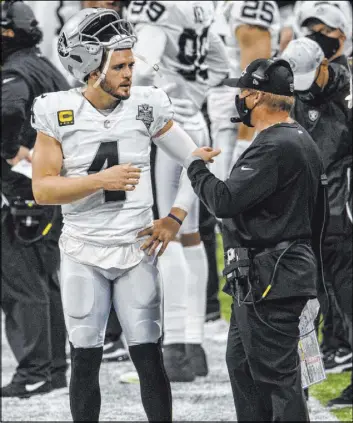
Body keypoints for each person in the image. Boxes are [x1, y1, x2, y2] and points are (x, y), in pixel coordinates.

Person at [30, 7, 218, 422]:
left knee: (149, 357)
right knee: (84, 358)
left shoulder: (146, 105)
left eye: (131, 63)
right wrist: (101, 180)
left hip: (136, 250)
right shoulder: (57, 110)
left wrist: (174, 217)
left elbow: (197, 161)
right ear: (88, 66)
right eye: (119, 65)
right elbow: (42, 189)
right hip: (83, 249)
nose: (131, 72)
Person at [185, 57, 328, 421]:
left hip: (272, 279)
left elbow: (224, 200)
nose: (238, 98)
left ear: (257, 97)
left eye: (243, 91)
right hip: (271, 276)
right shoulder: (297, 137)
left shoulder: (275, 145)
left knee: (276, 379)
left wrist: (195, 166)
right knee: (244, 366)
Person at [127, 0, 229, 381]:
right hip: (195, 123)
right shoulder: (200, 6)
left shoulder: (155, 8)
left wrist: (149, 92)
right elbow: (220, 64)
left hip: (166, 130)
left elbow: (141, 67)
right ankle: (193, 344)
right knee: (189, 236)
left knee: (163, 230)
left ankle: (172, 351)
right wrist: (194, 93)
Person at [1, 0, 69, 398]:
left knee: (21, 281)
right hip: (49, 189)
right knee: (44, 280)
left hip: (25, 192)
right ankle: (53, 368)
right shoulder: (47, 67)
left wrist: (11, 151)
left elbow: (8, 110)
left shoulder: (17, 72)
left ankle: (35, 369)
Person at [282, 36, 352, 409]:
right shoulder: (291, 93)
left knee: (347, 299)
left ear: (325, 65)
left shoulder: (348, 93)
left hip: (342, 214)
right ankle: (304, 385)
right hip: (304, 215)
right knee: (306, 305)